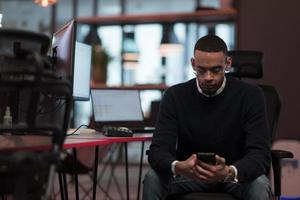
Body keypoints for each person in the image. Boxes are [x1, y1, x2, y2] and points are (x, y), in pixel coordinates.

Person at [142, 35, 272, 200]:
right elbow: (158, 151)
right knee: (153, 178)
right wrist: (178, 167)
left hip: (232, 176)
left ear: (228, 64)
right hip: (188, 175)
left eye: (216, 70)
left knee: (259, 184)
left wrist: (230, 171)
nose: (208, 77)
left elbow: (260, 154)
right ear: (193, 64)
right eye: (201, 70)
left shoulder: (251, 96)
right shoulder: (175, 96)